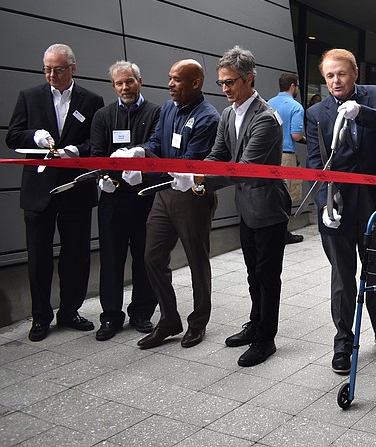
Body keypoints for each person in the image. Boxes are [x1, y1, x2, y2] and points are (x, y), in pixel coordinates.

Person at [171, 46, 291, 367]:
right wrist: (196, 173)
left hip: (267, 209)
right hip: (246, 208)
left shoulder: (266, 118)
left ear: (249, 79)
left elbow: (244, 167)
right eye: (221, 83)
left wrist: (202, 182)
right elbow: (218, 156)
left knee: (268, 276)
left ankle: (266, 339)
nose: (225, 89)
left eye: (231, 82)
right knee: (253, 273)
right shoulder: (228, 114)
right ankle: (255, 324)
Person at [305, 48, 376, 375]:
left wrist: (362, 113)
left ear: (354, 73)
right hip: (337, 203)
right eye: (329, 76)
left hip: (375, 200)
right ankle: (343, 343)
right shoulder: (315, 113)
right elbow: (314, 163)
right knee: (342, 276)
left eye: (341, 74)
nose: (336, 81)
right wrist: (324, 203)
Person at [115, 59, 220, 350]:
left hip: (192, 196)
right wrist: (140, 152)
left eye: (177, 79)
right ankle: (169, 318)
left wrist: (146, 172)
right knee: (151, 256)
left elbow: (188, 161)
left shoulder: (208, 117)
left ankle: (198, 322)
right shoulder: (168, 109)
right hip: (163, 194)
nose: (170, 84)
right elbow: (157, 144)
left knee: (197, 260)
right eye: (170, 78)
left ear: (195, 83)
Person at [6, 44, 104, 342]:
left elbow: (96, 143)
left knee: (76, 253)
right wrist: (34, 136)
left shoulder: (92, 100)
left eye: (58, 69)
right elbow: (13, 136)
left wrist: (77, 151)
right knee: (39, 256)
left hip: (75, 189)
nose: (51, 75)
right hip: (39, 191)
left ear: (72, 68)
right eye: (47, 69)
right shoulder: (30, 97)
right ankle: (41, 316)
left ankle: (70, 311)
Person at [89, 61, 160, 341]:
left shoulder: (155, 112)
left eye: (129, 81)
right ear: (113, 86)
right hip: (113, 197)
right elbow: (96, 152)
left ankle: (142, 313)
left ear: (140, 81)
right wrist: (102, 178)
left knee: (145, 256)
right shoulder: (103, 116)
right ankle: (110, 317)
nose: (125, 88)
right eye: (119, 83)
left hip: (144, 195)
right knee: (111, 258)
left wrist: (140, 153)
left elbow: (158, 144)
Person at [268, 72, 305, 245]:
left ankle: (271, 231)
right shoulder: (295, 106)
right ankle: (283, 233)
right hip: (286, 154)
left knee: (272, 195)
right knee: (286, 196)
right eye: (297, 85)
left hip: (268, 155)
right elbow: (296, 135)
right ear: (292, 86)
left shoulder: (268, 103)